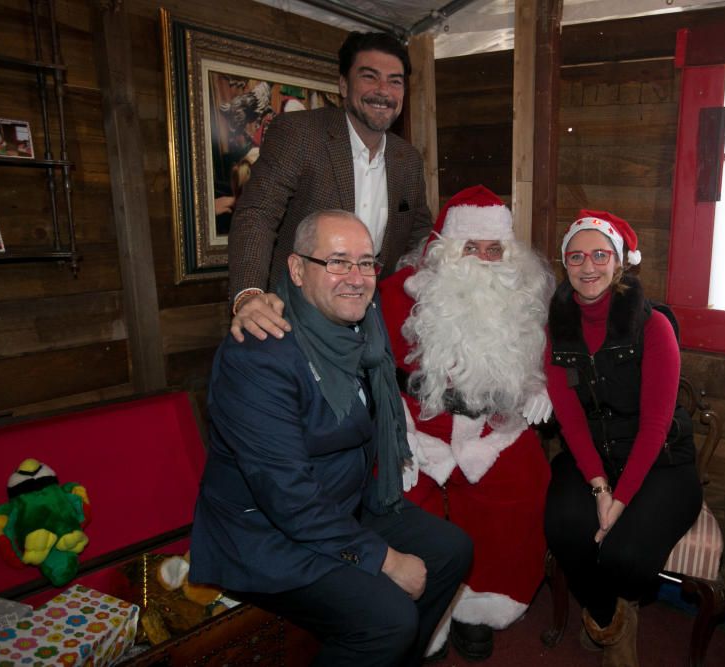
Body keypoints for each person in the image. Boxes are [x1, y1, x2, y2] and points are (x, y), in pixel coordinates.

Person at [189, 210, 472, 667]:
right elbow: (287, 497)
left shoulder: (361, 330)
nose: (356, 278)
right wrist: (385, 559)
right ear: (298, 270)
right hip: (266, 534)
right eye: (337, 262)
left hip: (335, 505)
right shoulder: (260, 356)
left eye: (366, 263)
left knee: (451, 550)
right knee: (389, 618)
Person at [379, 185, 554, 661]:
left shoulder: (521, 293)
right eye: (469, 247)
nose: (481, 258)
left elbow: (540, 354)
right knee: (403, 499)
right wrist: (395, 436)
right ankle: (426, 610)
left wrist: (539, 386)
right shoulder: (399, 293)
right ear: (446, 248)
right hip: (421, 424)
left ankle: (480, 604)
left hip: (493, 426)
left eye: (492, 248)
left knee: (525, 483)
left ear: (507, 252)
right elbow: (371, 371)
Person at [543, 210, 703, 666]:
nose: (588, 266)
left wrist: (619, 499)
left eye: (599, 255)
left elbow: (655, 425)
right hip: (594, 457)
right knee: (563, 527)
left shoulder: (653, 326)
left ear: (619, 262)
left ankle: (616, 615)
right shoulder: (557, 330)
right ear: (565, 264)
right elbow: (570, 419)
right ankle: (609, 619)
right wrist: (598, 485)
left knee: (623, 553)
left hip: (660, 462)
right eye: (576, 256)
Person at [228, 30, 432, 343]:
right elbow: (258, 212)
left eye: (395, 81)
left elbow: (419, 238)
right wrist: (249, 296)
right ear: (343, 85)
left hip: (371, 327)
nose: (383, 91)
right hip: (294, 322)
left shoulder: (408, 160)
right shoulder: (299, 134)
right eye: (370, 77)